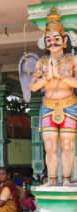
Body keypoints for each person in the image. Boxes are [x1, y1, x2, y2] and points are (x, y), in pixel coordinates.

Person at [29, 7, 77, 186]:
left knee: (67, 144)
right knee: (49, 146)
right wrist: (47, 78)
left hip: (69, 104)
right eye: (49, 40)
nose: (52, 43)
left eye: (56, 39)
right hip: (48, 105)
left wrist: (61, 76)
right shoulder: (42, 62)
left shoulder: (73, 60)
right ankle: (52, 179)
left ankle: (66, 180)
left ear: (64, 41)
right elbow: (33, 86)